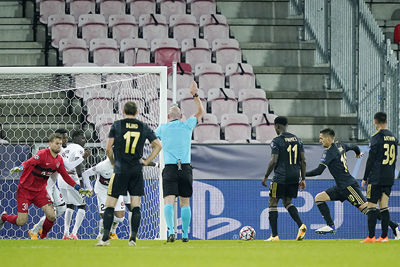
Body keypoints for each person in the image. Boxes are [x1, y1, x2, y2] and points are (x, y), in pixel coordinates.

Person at [306, 128, 399, 236]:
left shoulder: (329, 152)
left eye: (321, 138)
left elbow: (319, 171)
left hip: (349, 186)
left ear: (328, 138)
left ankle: (394, 226)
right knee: (319, 198)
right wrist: (357, 154)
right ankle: (330, 225)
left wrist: (302, 174)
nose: (320, 141)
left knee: (368, 210)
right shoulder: (341, 145)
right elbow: (354, 146)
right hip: (341, 187)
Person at [96, 101, 162, 246]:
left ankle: (105, 238)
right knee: (135, 205)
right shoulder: (143, 126)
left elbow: (108, 149)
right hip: (136, 170)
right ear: (137, 112)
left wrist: (113, 163)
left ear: (123, 111)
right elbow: (158, 145)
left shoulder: (117, 125)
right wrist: (146, 161)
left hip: (120, 169)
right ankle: (132, 239)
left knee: (110, 204)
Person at [0, 133, 91, 239]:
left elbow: (66, 176)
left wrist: (79, 188)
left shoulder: (59, 160)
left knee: (52, 215)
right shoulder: (42, 154)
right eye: (56, 143)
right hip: (25, 190)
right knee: (21, 221)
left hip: (40, 191)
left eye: (60, 144)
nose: (59, 146)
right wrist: (20, 167)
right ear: (50, 144)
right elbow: (29, 162)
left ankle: (43, 237)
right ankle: (3, 217)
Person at [155, 81, 204, 243]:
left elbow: (153, 141)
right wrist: (194, 94)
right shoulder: (187, 125)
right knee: (185, 201)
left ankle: (170, 230)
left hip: (169, 168)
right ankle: (184, 234)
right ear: (181, 116)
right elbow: (200, 112)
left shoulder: (162, 128)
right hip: (185, 167)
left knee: (169, 199)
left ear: (169, 117)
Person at [261, 116, 307, 242]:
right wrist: (303, 178)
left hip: (280, 177)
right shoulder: (298, 140)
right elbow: (303, 160)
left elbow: (274, 160)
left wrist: (265, 176)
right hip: (294, 176)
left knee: (272, 202)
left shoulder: (276, 141)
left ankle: (274, 235)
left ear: (277, 126)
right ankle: (301, 225)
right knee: (287, 202)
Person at [361, 112, 398, 243]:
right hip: (389, 176)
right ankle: (384, 237)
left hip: (376, 176)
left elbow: (371, 159)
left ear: (374, 121)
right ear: (386, 121)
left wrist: (365, 177)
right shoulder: (393, 137)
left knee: (371, 206)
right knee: (384, 206)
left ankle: (371, 237)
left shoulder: (376, 137)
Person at [28, 129, 69, 239]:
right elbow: (67, 167)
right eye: (64, 137)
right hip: (45, 186)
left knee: (62, 209)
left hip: (53, 184)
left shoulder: (62, 151)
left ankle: (38, 228)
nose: (66, 139)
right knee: (52, 213)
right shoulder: (50, 152)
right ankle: (35, 231)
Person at [82, 158, 130, 240]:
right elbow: (85, 174)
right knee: (105, 215)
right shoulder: (102, 166)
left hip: (116, 189)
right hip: (102, 191)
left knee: (120, 218)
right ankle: (101, 233)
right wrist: (89, 188)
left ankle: (112, 232)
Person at [58, 130, 91, 240]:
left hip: (61, 179)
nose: (84, 140)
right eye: (82, 138)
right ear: (75, 139)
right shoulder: (79, 148)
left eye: (85, 138)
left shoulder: (68, 148)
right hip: (72, 179)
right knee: (82, 205)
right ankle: (74, 233)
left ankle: (66, 233)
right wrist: (80, 180)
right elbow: (78, 164)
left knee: (69, 205)